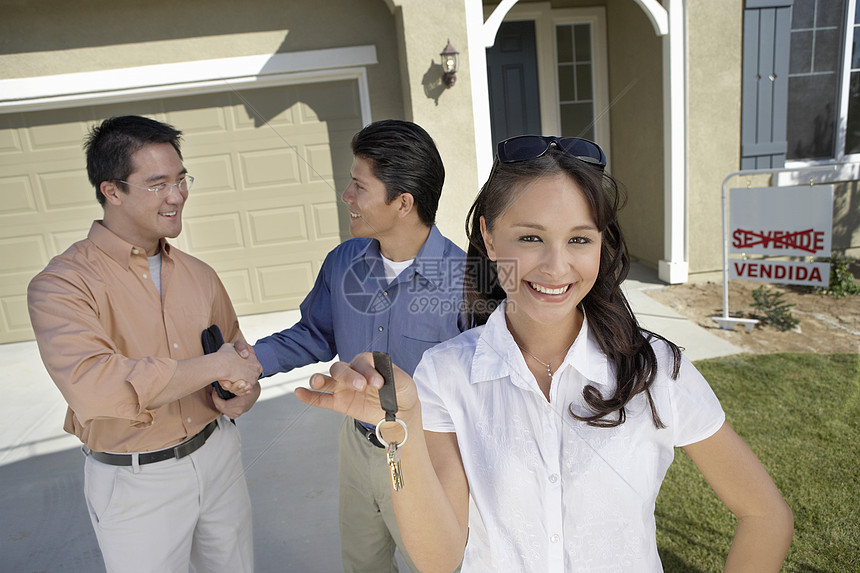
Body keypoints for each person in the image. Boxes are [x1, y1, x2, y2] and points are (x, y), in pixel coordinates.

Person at [295, 135, 795, 572]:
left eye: (579, 239)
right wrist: (399, 432)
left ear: (602, 244)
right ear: (489, 237)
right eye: (530, 237)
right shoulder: (445, 374)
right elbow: (439, 558)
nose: (556, 267)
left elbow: (765, 514)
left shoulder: (656, 369)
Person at [27, 115, 263, 573]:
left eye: (181, 179)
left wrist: (241, 394)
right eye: (158, 184)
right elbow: (98, 388)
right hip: (135, 481)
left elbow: (238, 357)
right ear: (111, 190)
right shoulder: (61, 284)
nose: (177, 196)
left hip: (218, 455)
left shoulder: (200, 275)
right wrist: (216, 365)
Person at [253, 119, 466, 572]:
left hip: (431, 459)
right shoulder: (342, 262)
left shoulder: (470, 282)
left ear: (403, 202)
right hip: (358, 446)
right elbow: (315, 333)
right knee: (362, 564)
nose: (346, 196)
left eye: (358, 186)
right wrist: (250, 362)